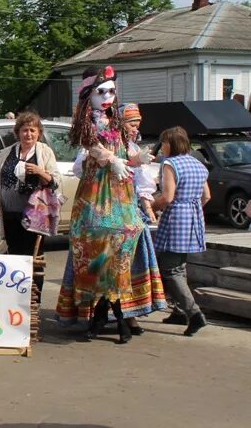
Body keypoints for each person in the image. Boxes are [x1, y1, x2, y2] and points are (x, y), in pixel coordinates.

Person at [59, 103, 166, 335]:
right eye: (130, 122)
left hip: (127, 210)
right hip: (98, 211)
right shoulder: (94, 145)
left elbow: (142, 184)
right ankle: (104, 318)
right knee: (101, 265)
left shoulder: (128, 146)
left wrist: (138, 161)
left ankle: (129, 319)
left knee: (125, 266)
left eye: (137, 122)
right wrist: (106, 164)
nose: (135, 127)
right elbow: (82, 170)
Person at [55, 65, 143, 344]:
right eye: (101, 91)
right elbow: (93, 147)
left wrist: (136, 160)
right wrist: (111, 160)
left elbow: (127, 154)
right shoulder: (87, 125)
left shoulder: (118, 125)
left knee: (117, 258)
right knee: (96, 257)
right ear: (88, 96)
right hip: (95, 197)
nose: (107, 97)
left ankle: (107, 317)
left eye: (112, 91)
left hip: (121, 198)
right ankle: (107, 318)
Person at [153, 125, 212, 337]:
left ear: (171, 144)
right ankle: (179, 311)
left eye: (164, 144)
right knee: (180, 265)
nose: (162, 148)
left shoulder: (171, 164)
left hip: (176, 217)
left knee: (170, 269)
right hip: (193, 218)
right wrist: (192, 209)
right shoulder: (197, 163)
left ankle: (194, 314)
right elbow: (206, 196)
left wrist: (151, 206)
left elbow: (167, 197)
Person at [0, 111, 60, 295]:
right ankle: (16, 297)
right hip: (10, 214)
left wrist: (40, 172)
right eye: (24, 130)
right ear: (18, 132)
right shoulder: (8, 152)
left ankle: (33, 300)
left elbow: (55, 182)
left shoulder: (44, 152)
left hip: (34, 216)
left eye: (32, 130)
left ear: (38, 132)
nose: (28, 134)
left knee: (33, 257)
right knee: (14, 256)